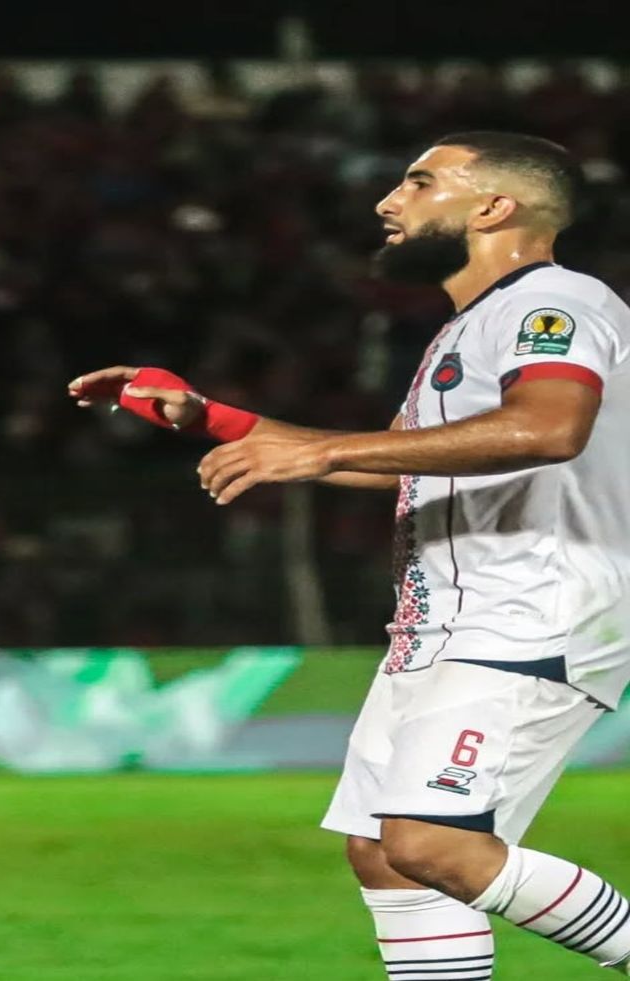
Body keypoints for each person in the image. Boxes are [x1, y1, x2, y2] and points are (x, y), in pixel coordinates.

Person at [71, 131, 630, 979]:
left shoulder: (553, 303)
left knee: (433, 842)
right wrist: (208, 417)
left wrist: (324, 449)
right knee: (384, 853)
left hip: (533, 610)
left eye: (419, 182)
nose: (387, 201)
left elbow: (550, 427)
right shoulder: (470, 327)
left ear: (493, 207)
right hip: (445, 622)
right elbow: (395, 461)